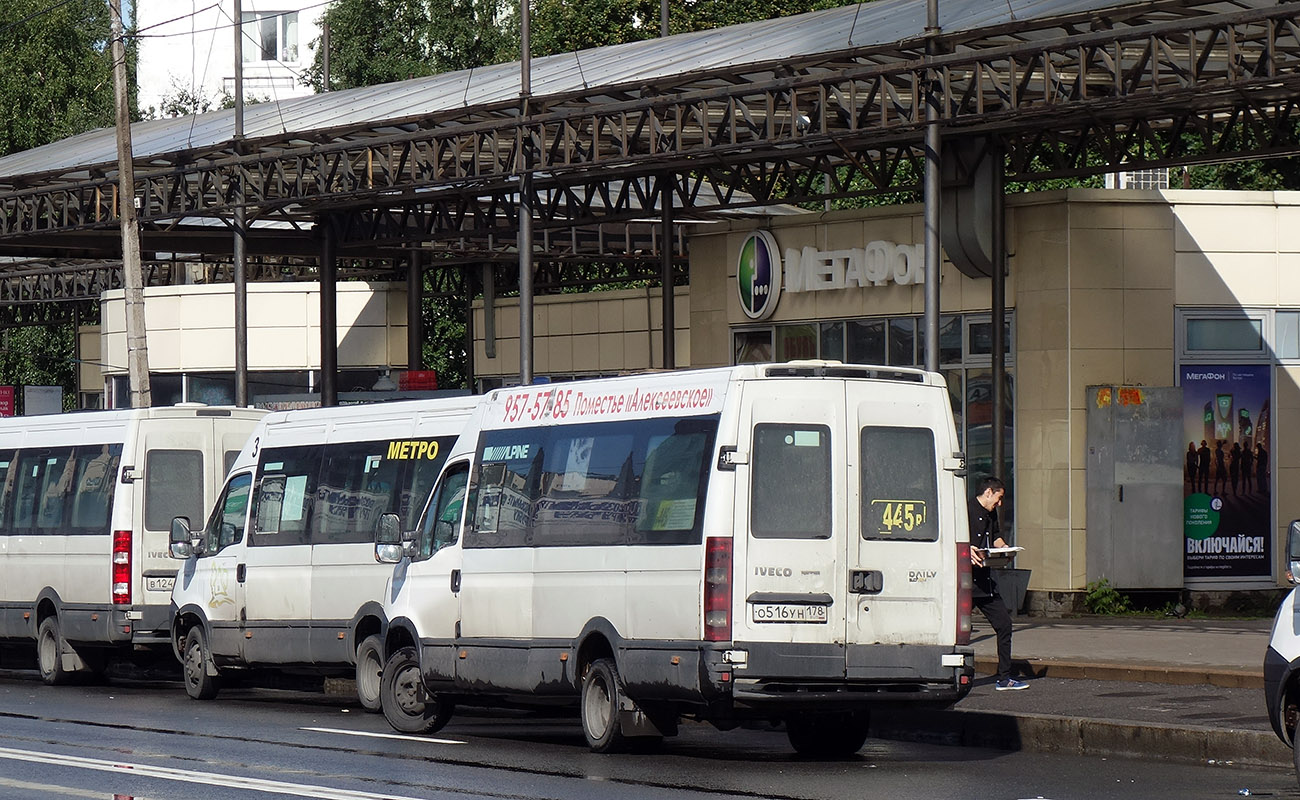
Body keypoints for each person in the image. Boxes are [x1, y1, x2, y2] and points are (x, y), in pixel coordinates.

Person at [969, 476, 1027, 691]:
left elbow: (995, 537)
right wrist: (965, 549)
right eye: (999, 497)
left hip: (984, 581)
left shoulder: (990, 513)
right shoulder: (964, 509)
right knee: (958, 632)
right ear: (988, 492)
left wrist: (1005, 550)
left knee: (1004, 624)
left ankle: (1004, 677)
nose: (1000, 503)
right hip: (964, 582)